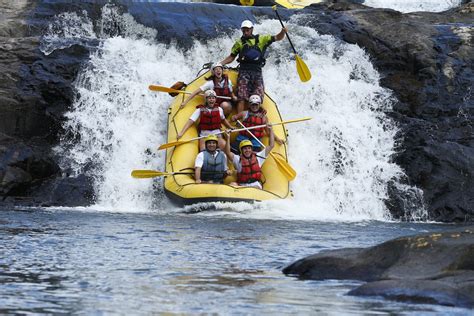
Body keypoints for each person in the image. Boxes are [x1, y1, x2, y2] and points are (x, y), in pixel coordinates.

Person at [220, 20, 287, 113]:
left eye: (247, 30)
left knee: (257, 97)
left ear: (252, 29)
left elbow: (277, 37)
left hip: (257, 72)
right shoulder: (239, 43)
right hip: (244, 72)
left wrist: (283, 32)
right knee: (242, 97)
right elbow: (231, 57)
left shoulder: (261, 39)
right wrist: (220, 64)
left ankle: (254, 119)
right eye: (243, 30)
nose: (245, 32)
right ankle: (240, 120)